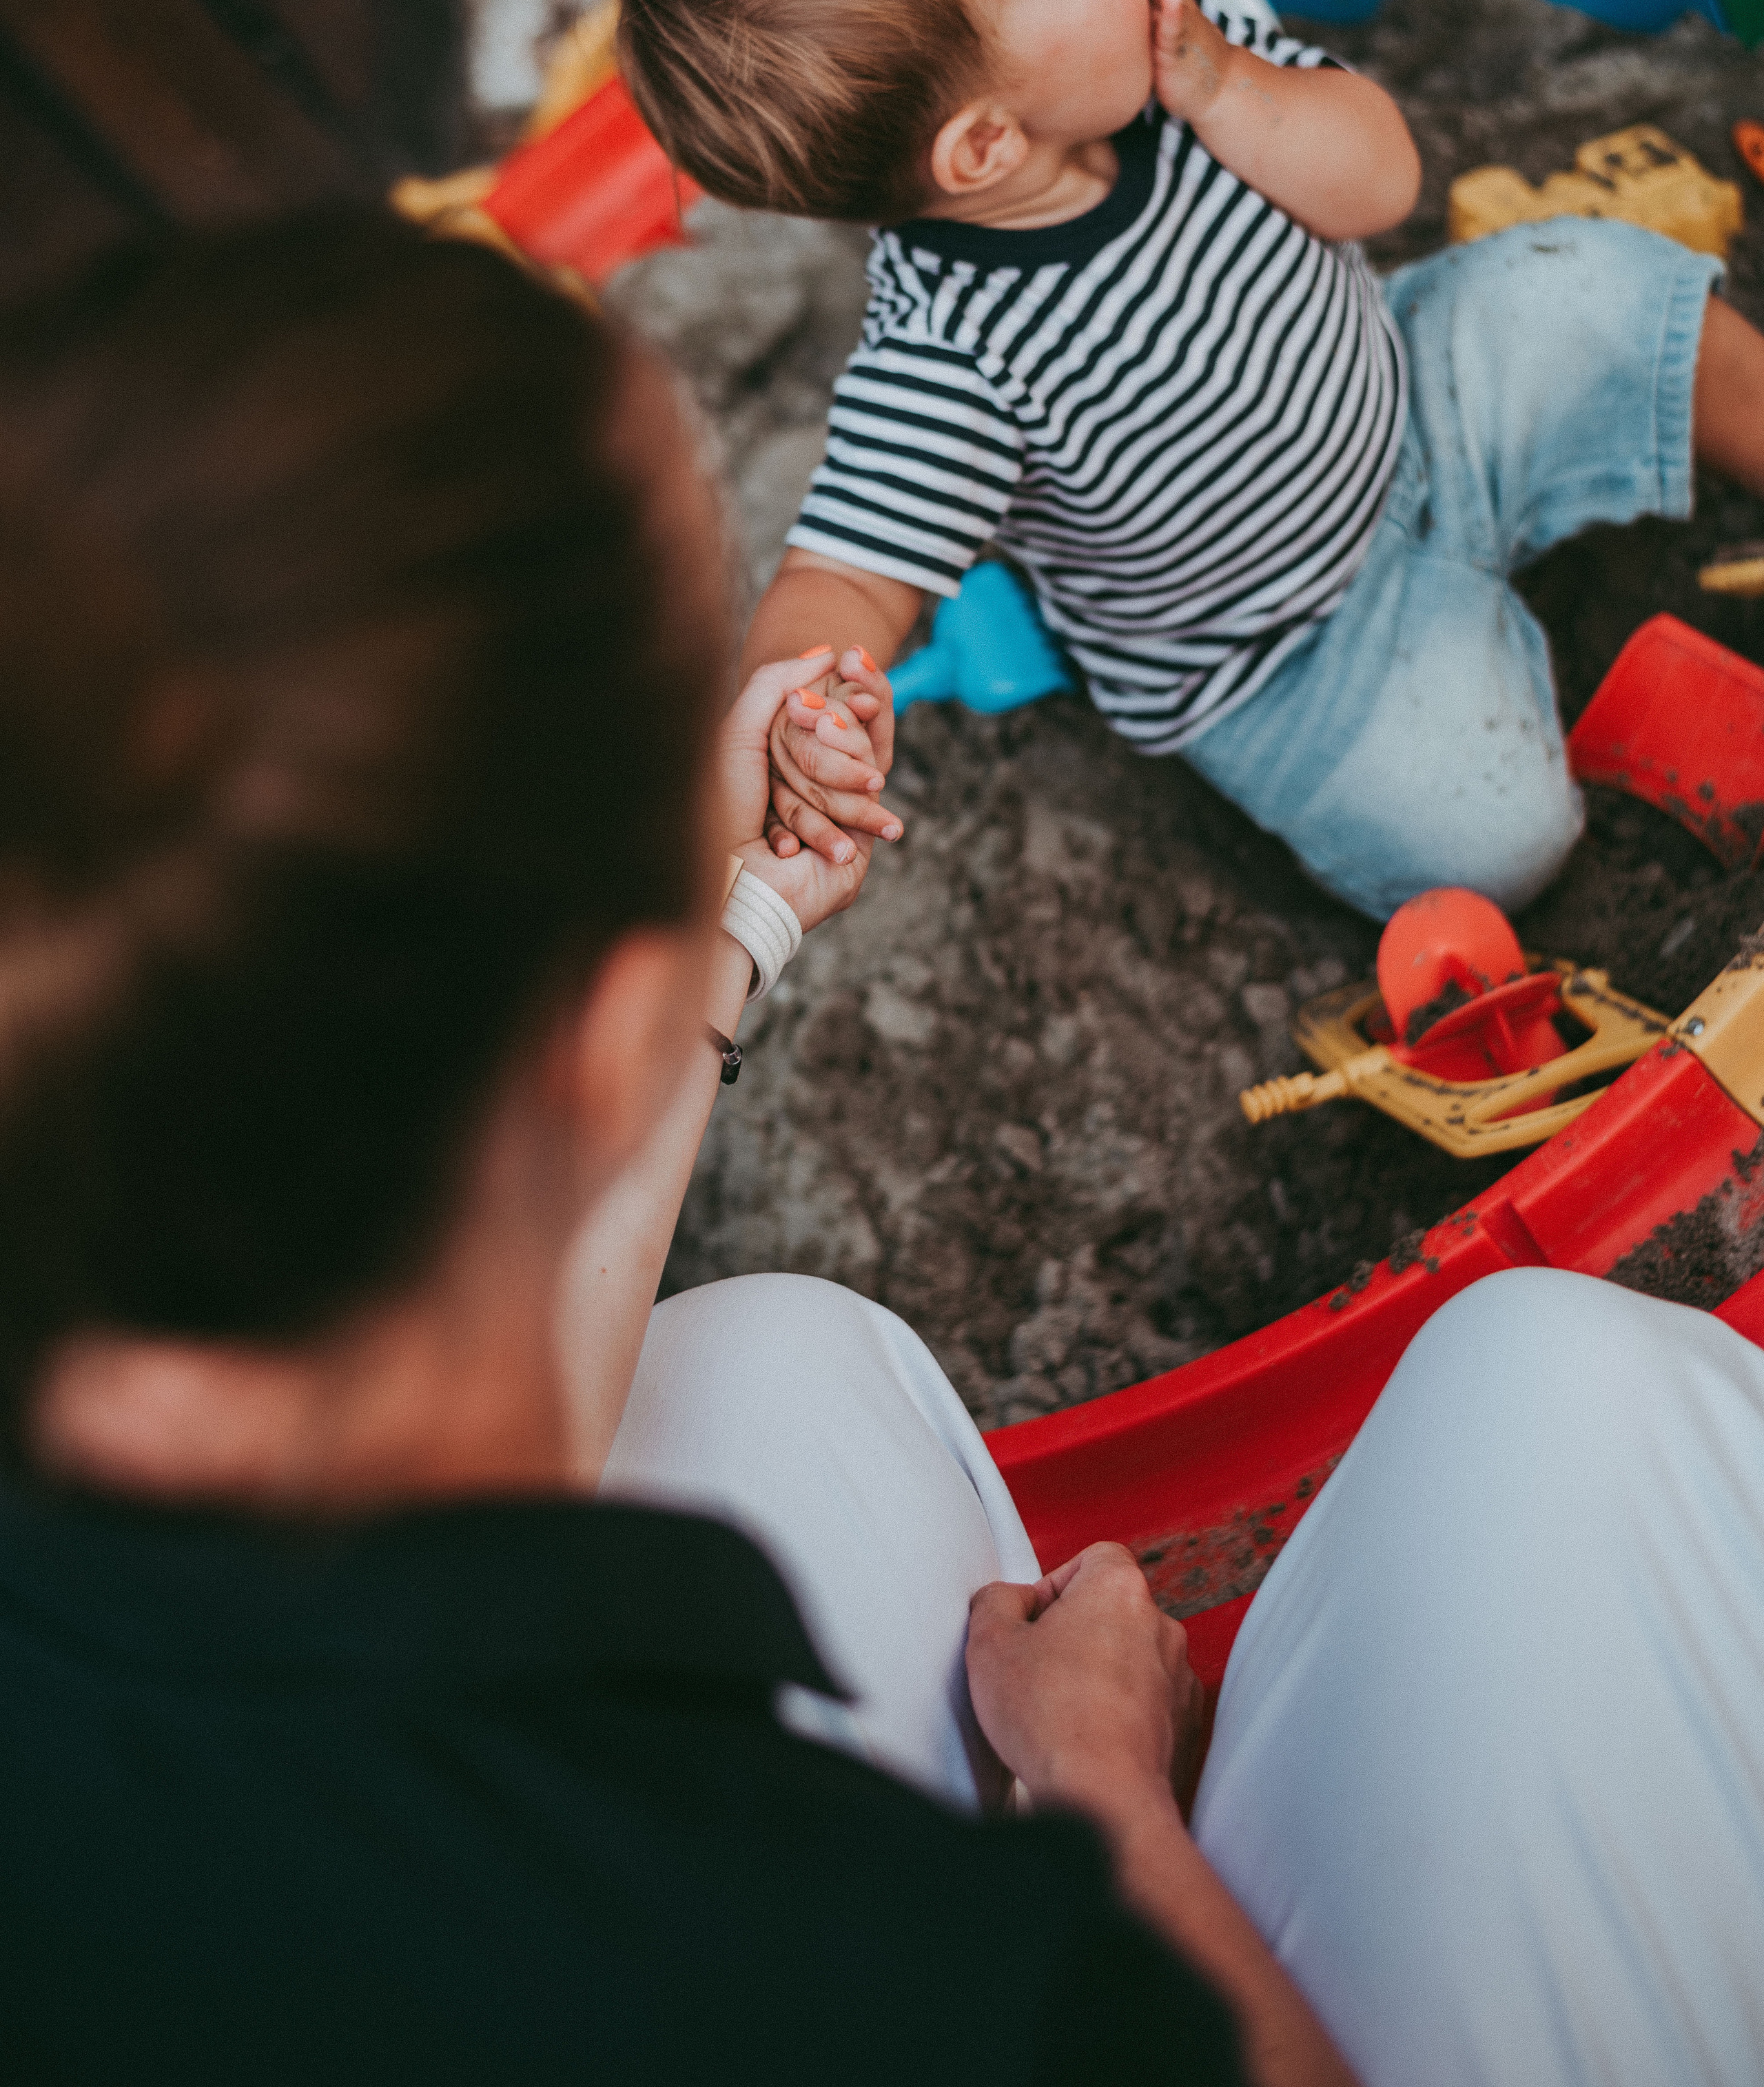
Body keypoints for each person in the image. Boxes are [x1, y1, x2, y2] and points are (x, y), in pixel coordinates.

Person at [0, 212, 1345, 2086]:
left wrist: (731, 930)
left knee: (773, 1355)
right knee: (1572, 1409)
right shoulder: (800, 1955)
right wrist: (1102, 1789)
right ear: (595, 1027)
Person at [613, 0, 1764, 921]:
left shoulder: (1183, 35)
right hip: (1283, 654)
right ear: (986, 144)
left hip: (1421, 397)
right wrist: (808, 700)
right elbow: (844, 570)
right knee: (1495, 832)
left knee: (1609, 294)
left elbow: (1384, 187)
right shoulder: (947, 356)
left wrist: (1216, 82)